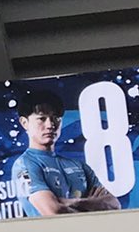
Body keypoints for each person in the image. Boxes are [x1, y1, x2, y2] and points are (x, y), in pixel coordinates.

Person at [9, 89, 119, 217]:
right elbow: (53, 211)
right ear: (24, 123)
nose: (50, 125)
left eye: (55, 118)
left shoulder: (79, 166)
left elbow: (114, 205)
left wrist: (72, 202)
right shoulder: (25, 164)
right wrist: (93, 204)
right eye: (42, 119)